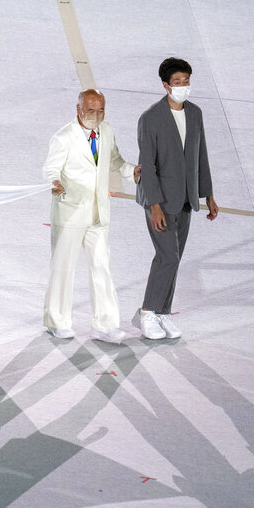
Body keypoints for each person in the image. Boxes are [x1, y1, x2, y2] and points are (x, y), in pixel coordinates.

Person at [42, 90, 140, 343]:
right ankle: (57, 321)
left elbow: (115, 161)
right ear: (78, 109)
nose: (96, 116)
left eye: (101, 110)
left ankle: (105, 325)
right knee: (63, 268)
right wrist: (54, 181)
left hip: (98, 213)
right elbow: (50, 168)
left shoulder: (106, 131)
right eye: (90, 111)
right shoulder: (63, 137)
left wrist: (134, 172)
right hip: (71, 213)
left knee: (102, 267)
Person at [133, 57, 217, 340]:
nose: (184, 87)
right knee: (167, 256)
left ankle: (162, 314)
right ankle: (146, 313)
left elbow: (199, 155)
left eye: (187, 81)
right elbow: (147, 165)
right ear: (166, 85)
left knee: (175, 258)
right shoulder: (150, 118)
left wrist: (208, 194)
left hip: (184, 200)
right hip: (160, 201)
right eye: (178, 82)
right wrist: (154, 205)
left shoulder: (195, 114)